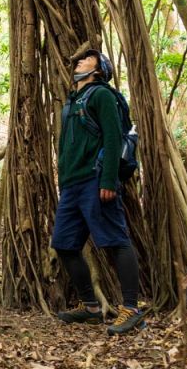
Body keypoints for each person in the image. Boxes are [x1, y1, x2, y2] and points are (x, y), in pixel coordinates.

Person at [51, 50, 146, 335]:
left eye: (88, 59)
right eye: (79, 59)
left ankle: (131, 309)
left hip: (95, 180)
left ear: (100, 70)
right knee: (64, 245)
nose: (79, 60)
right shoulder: (72, 100)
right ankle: (91, 308)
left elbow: (113, 138)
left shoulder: (102, 94)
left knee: (115, 241)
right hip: (71, 186)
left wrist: (108, 180)